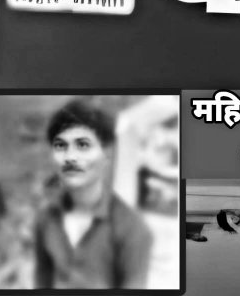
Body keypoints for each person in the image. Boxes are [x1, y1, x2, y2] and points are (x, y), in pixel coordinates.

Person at [34, 99, 152, 289]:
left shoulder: (132, 229)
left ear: (106, 154)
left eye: (82, 145)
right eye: (60, 145)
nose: (70, 157)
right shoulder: (45, 219)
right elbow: (42, 279)